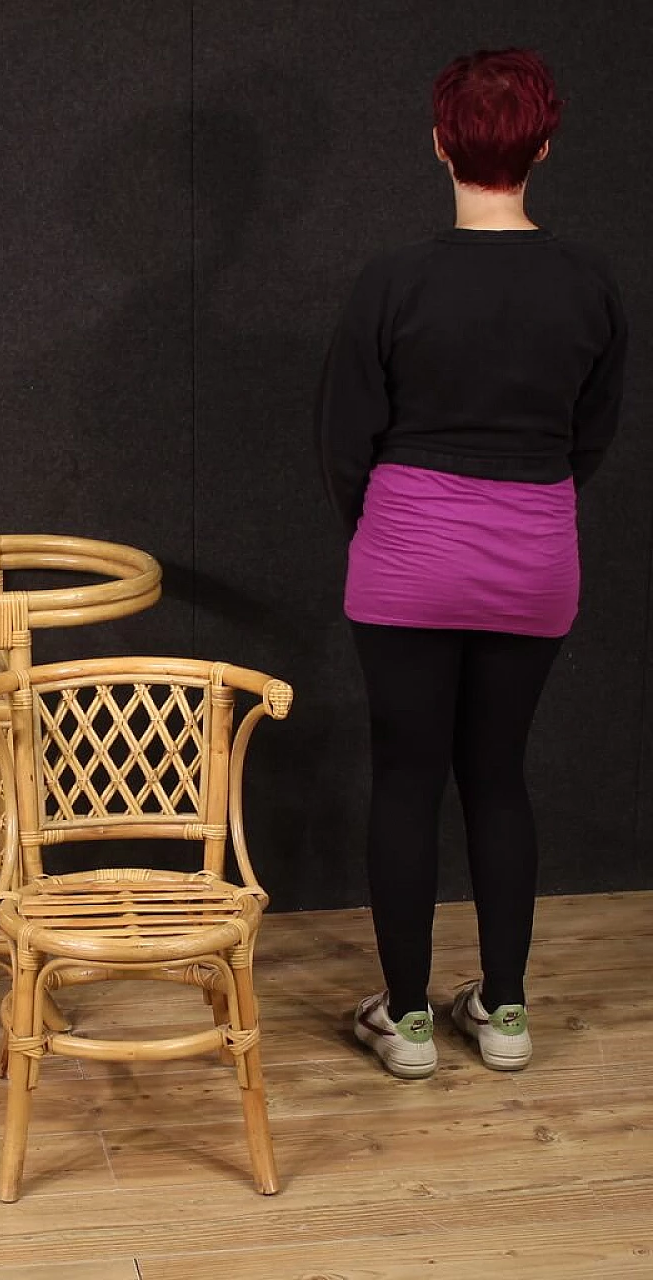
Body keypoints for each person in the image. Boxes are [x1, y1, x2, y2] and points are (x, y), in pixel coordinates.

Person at [316, 48, 627, 1079]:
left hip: (405, 554)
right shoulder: (587, 282)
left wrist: (399, 529)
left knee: (403, 780)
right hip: (534, 555)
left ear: (440, 142)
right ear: (542, 144)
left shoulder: (391, 280)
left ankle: (405, 1021)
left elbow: (342, 439)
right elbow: (591, 435)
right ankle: (502, 1011)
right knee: (496, 776)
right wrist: (519, 510)